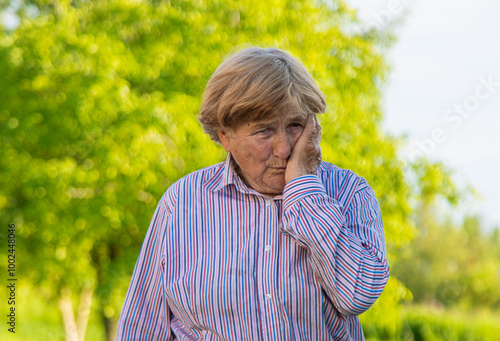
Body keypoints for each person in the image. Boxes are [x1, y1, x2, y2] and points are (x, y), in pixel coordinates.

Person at [115, 47, 389, 340]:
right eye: (264, 132)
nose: (284, 148)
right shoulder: (181, 203)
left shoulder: (349, 192)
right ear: (225, 136)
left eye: (295, 126)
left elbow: (357, 295)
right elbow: (142, 327)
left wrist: (305, 193)